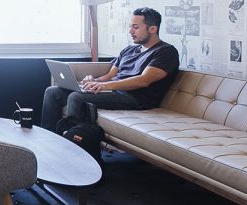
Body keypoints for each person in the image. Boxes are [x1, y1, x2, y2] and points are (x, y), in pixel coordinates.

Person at [41, 7, 180, 130]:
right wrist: (94, 81)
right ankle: (48, 138)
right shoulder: (129, 50)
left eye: (136, 27)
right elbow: (109, 76)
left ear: (153, 29)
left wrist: (105, 85)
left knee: (76, 97)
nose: (130, 31)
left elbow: (143, 81)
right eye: (130, 26)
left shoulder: (166, 52)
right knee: (53, 92)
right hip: (114, 92)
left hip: (136, 99)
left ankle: (73, 144)